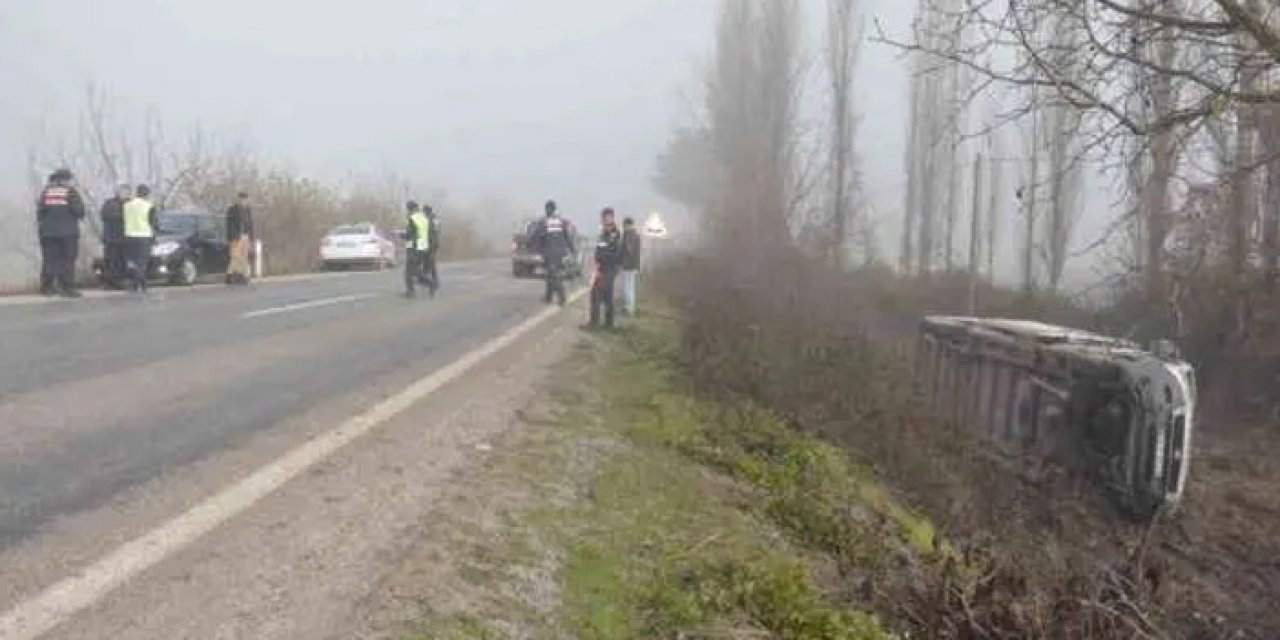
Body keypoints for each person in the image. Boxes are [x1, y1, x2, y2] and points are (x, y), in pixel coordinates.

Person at [35, 168, 87, 297]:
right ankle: (67, 288)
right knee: (67, 260)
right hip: (68, 233)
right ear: (66, 180)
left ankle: (47, 287)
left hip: (48, 232)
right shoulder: (71, 192)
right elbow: (79, 211)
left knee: (50, 260)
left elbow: (40, 213)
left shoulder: (46, 192)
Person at [528, 199, 576, 306]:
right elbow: (567, 237)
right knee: (550, 274)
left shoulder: (544, 222)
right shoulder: (561, 222)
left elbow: (536, 235)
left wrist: (530, 245)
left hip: (549, 252)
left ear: (547, 209)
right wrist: (572, 250)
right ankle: (548, 297)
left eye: (547, 209)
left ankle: (562, 297)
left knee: (553, 275)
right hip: (560, 252)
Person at [587, 207, 623, 329]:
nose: (605, 220)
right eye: (604, 218)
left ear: (612, 218)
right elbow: (599, 249)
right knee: (607, 296)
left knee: (596, 293)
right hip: (601, 267)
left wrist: (603, 262)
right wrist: (596, 263)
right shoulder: (603, 233)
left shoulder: (615, 234)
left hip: (609, 268)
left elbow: (615, 253)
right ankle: (608, 323)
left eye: (608, 218)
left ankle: (595, 323)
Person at [121, 184, 158, 292]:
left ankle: (135, 284)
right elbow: (153, 223)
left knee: (132, 262)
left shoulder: (126, 205)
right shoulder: (149, 206)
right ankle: (142, 285)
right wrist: (155, 235)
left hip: (129, 236)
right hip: (144, 236)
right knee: (142, 262)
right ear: (146, 194)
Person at [99, 184, 132, 289]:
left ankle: (120, 281)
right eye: (124, 192)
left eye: (128, 193)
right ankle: (111, 282)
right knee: (112, 262)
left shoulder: (130, 204)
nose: (127, 195)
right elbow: (106, 216)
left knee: (121, 262)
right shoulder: (110, 204)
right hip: (112, 238)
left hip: (124, 238)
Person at [403, 200, 433, 298]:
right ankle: (428, 283)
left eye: (408, 209)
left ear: (410, 209)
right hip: (423, 247)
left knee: (409, 271)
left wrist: (400, 235)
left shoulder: (412, 218)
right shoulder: (423, 218)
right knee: (415, 269)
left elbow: (410, 235)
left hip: (414, 247)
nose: (408, 211)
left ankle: (412, 291)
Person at [225, 191, 255, 285]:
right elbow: (229, 224)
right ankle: (231, 275)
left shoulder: (248, 210)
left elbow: (250, 224)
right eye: (242, 199)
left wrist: (251, 238)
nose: (244, 201)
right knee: (235, 256)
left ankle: (242, 275)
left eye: (245, 199)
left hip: (245, 236)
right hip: (236, 236)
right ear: (239, 199)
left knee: (244, 257)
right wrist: (233, 236)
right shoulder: (232, 210)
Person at [620, 216, 641, 316]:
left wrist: (621, 257)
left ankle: (628, 308)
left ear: (627, 225)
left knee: (627, 287)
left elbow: (629, 249)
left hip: (627, 265)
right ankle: (629, 307)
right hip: (632, 265)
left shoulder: (628, 235)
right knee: (630, 286)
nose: (623, 227)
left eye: (624, 225)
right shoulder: (636, 235)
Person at [423, 205, 441, 292]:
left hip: (430, 245)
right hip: (434, 244)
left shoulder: (429, 220)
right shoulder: (435, 219)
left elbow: (429, 233)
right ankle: (434, 282)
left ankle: (431, 283)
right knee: (432, 265)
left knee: (428, 264)